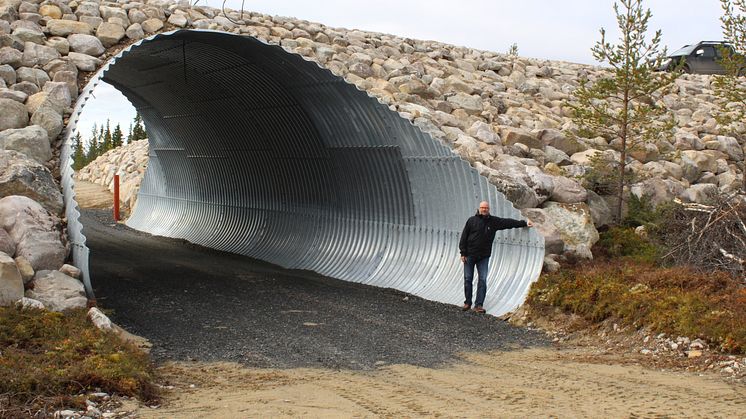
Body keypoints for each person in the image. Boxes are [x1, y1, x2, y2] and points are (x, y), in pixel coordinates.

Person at [459, 201, 533, 313]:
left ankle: (478, 305)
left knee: (482, 280)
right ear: (479, 208)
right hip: (470, 255)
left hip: (484, 256)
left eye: (486, 208)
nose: (484, 209)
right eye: (482, 207)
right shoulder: (471, 221)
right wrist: (463, 253)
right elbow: (464, 236)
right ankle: (467, 303)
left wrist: (524, 223)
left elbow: (508, 223)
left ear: (489, 209)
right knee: (468, 279)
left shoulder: (493, 222)